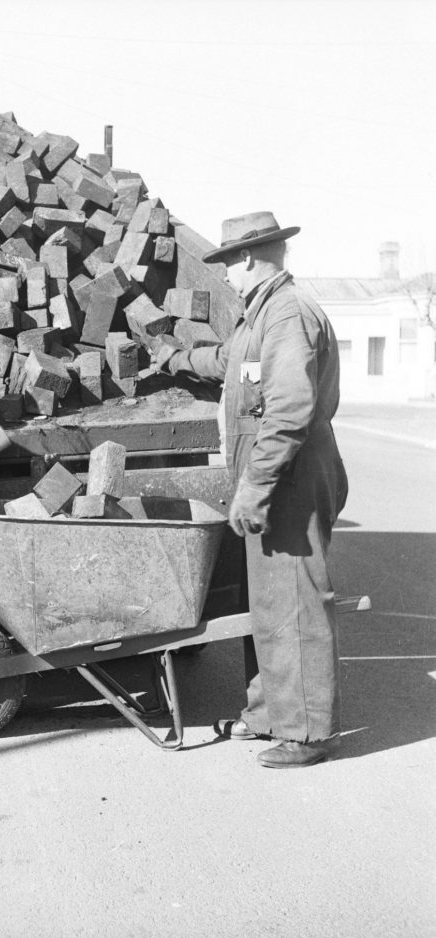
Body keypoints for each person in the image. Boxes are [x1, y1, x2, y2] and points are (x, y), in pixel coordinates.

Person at [153, 211, 348, 768]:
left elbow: (287, 407)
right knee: (267, 599)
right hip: (273, 471)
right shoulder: (259, 316)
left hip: (289, 474)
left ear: (247, 260)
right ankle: (268, 715)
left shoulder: (287, 314)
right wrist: (177, 357)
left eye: (227, 266)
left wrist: (255, 487)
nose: (226, 277)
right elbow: (233, 364)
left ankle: (307, 733)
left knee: (294, 600)